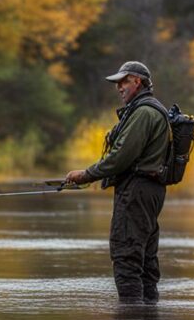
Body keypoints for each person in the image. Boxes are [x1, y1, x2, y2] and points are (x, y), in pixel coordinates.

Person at [65, 61, 170, 304]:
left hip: (136, 191)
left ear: (138, 81)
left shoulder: (144, 113)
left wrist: (86, 174)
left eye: (124, 81)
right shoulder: (148, 109)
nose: (119, 87)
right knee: (145, 259)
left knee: (127, 255)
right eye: (117, 83)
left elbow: (121, 156)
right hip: (149, 191)